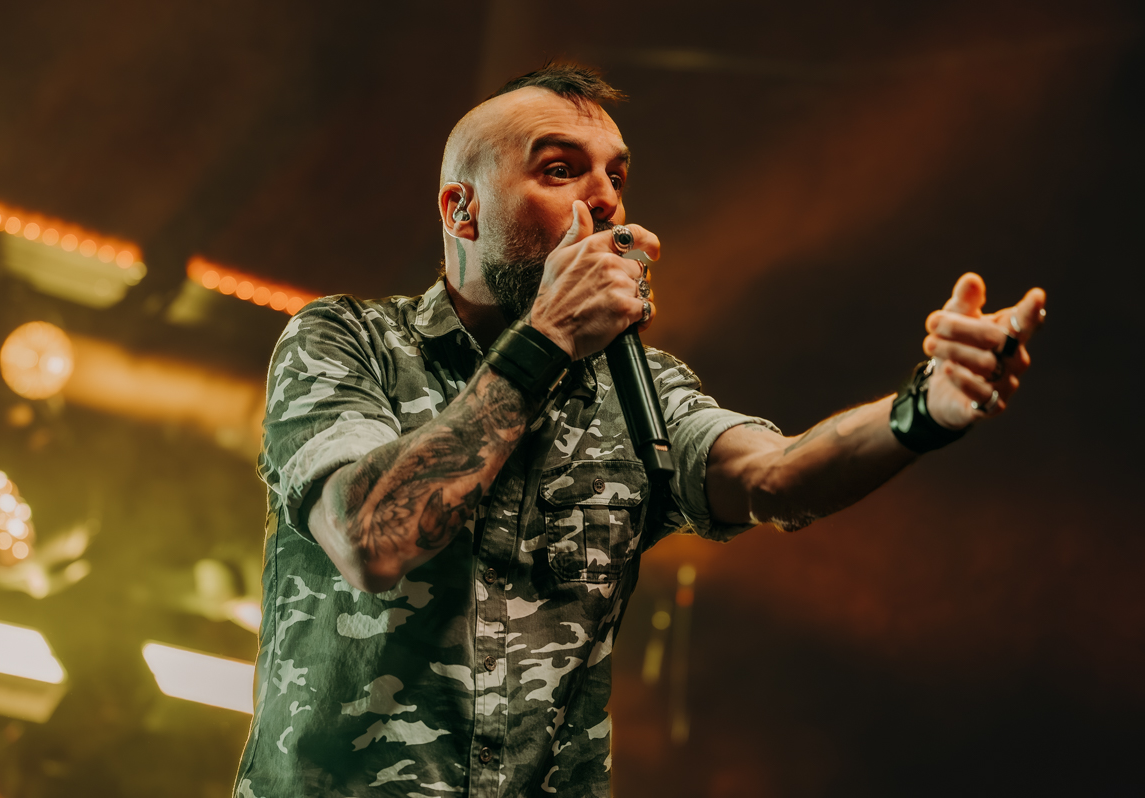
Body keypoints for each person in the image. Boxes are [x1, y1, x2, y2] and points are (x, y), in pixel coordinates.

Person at [234, 64, 1046, 798]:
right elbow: (370, 539)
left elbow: (776, 477)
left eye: (615, 176)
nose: (605, 201)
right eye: (560, 170)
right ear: (463, 210)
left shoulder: (639, 388)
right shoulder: (349, 341)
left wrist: (924, 409)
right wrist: (547, 339)